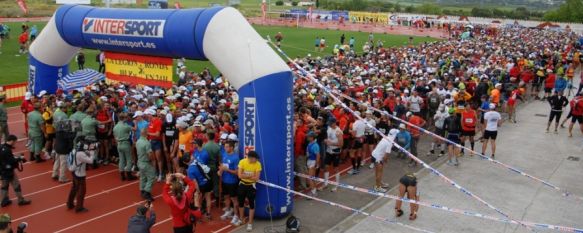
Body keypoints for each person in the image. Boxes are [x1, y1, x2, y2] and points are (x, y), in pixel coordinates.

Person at [67, 137, 97, 213]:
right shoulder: (80, 154)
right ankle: (79, 207)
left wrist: (90, 150)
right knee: (82, 191)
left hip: (74, 171)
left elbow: (85, 153)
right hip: (80, 174)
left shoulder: (75, 150)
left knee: (74, 188)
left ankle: (69, 203)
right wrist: (93, 152)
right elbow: (90, 161)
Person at [0, 135, 31, 207]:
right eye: (15, 142)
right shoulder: (7, 150)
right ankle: (21, 200)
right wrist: (19, 159)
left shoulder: (2, 147)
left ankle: (4, 201)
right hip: (9, 171)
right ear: (12, 141)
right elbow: (11, 161)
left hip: (2, 171)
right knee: (16, 185)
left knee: (4, 186)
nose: (15, 143)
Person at [237, 151, 262, 232]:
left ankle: (250, 223)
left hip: (251, 186)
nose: (256, 160)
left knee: (252, 205)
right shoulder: (242, 162)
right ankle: (241, 219)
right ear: (250, 158)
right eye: (255, 158)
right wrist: (252, 175)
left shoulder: (258, 164)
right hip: (242, 185)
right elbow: (240, 176)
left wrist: (246, 176)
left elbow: (257, 178)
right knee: (241, 203)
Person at [218, 141, 242, 225]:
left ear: (232, 148)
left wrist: (227, 170)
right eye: (225, 146)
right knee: (226, 197)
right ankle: (228, 211)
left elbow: (237, 172)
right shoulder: (224, 154)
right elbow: (222, 165)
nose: (225, 148)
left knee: (234, 200)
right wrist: (220, 171)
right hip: (224, 181)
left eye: (227, 147)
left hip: (232, 182)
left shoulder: (235, 158)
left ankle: (236, 215)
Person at [371, 129, 399, 193]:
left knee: (377, 171)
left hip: (374, 155)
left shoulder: (385, 137)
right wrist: (385, 161)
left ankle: (379, 183)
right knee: (379, 172)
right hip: (378, 158)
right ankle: (377, 187)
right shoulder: (390, 142)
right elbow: (386, 156)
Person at [186, 152, 212, 220]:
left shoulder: (190, 170)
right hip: (208, 181)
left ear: (185, 162)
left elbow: (195, 182)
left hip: (200, 185)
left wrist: (198, 191)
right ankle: (208, 214)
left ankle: (198, 216)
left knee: (197, 200)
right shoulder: (198, 160)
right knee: (208, 198)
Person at [53, 101, 73, 183]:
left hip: (57, 143)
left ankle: (54, 173)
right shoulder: (64, 116)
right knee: (63, 162)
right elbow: (68, 130)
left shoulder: (55, 113)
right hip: (63, 147)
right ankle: (62, 177)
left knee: (57, 159)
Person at [114, 113, 137, 181]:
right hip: (125, 143)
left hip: (119, 144)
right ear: (124, 118)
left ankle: (122, 175)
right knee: (129, 159)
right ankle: (129, 174)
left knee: (121, 160)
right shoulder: (125, 126)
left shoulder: (116, 126)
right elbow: (134, 129)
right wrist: (135, 123)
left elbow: (115, 136)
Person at [323, 117, 342, 192]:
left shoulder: (338, 131)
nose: (329, 125)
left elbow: (341, 144)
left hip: (335, 151)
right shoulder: (329, 128)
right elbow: (327, 137)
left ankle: (336, 185)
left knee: (335, 168)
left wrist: (331, 143)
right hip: (328, 150)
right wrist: (325, 140)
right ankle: (325, 183)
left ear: (334, 123)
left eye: (330, 123)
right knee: (326, 166)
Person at [137, 129, 155, 202]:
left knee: (143, 177)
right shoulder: (146, 143)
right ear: (146, 134)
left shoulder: (138, 141)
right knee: (152, 177)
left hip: (140, 161)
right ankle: (147, 192)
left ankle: (142, 190)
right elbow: (150, 154)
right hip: (145, 162)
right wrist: (152, 160)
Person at [305, 132, 320, 196]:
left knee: (310, 178)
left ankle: (313, 192)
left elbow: (318, 155)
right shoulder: (310, 143)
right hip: (310, 161)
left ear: (312, 137)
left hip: (313, 162)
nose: (307, 137)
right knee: (312, 177)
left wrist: (316, 164)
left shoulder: (315, 145)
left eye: (308, 137)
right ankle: (314, 189)